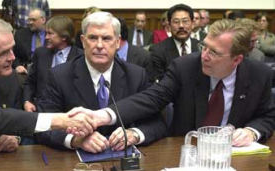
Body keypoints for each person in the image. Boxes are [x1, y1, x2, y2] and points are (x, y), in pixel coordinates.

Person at [70, 19, 275, 147]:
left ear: (237, 59)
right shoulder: (186, 66)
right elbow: (152, 98)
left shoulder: (260, 74)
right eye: (205, 47)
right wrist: (104, 115)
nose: (204, 55)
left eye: (214, 52)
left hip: (234, 156)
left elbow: (268, 115)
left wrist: (252, 131)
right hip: (186, 153)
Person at [0, 17, 98, 149]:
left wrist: (13, 137)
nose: (12, 57)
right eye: (3, 53)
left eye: (12, 49)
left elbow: (15, 116)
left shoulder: (6, 75)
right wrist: (60, 120)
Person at [35, 12, 166, 153]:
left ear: (117, 42)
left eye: (106, 38)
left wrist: (134, 134)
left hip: (123, 157)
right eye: (92, 38)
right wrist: (75, 140)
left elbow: (157, 122)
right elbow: (43, 126)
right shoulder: (59, 75)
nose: (99, 45)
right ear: (83, 41)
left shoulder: (136, 75)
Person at [23, 16, 83, 113]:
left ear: (64, 36)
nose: (46, 37)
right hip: (42, 111)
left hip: (71, 114)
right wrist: (27, 101)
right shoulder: (41, 54)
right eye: (46, 33)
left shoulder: (80, 57)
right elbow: (30, 82)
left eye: (50, 34)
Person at [149, 4, 199, 82]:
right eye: (176, 22)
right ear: (169, 25)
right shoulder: (158, 51)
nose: (181, 26)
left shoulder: (202, 47)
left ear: (192, 24)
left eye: (185, 21)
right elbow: (161, 83)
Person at [13, 8, 47, 75]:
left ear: (43, 20)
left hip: (47, 70)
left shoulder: (51, 34)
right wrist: (17, 66)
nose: (30, 22)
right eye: (29, 20)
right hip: (25, 71)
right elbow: (13, 55)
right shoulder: (20, 34)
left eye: (33, 20)